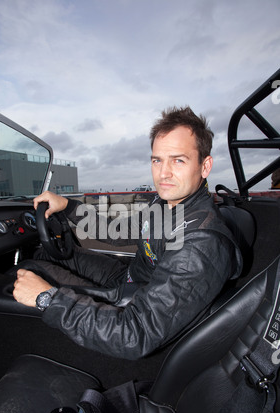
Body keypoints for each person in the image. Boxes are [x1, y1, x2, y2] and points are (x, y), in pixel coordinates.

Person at [12, 106, 242, 360]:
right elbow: (120, 231)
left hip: (132, 300)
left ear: (205, 166)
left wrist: (48, 299)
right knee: (49, 253)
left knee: (32, 268)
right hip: (128, 277)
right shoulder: (166, 204)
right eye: (157, 160)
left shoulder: (199, 245)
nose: (163, 173)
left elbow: (135, 334)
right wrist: (68, 207)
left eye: (178, 160)